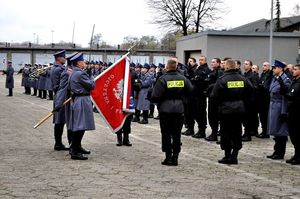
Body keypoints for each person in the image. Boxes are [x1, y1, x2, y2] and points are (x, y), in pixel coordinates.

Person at [151, 59, 193, 166]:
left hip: (165, 110)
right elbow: (191, 90)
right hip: (179, 109)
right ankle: (175, 158)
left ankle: (168, 157)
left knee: (166, 134)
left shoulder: (162, 79)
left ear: (167, 66)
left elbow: (156, 96)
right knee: (176, 134)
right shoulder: (183, 78)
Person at [211, 59, 253, 164]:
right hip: (239, 110)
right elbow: (251, 90)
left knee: (226, 134)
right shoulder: (243, 79)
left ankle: (227, 156)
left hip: (225, 110)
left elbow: (214, 96)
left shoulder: (222, 79)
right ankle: (234, 156)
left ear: (227, 67)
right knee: (237, 132)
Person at [69, 52, 95, 160]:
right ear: (79, 63)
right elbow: (91, 85)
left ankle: (77, 146)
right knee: (80, 125)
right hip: (82, 100)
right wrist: (91, 77)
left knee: (81, 125)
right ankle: (74, 150)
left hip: (78, 99)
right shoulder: (80, 73)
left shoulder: (74, 72)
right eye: (83, 61)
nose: (84, 63)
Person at [53, 52, 79, 151]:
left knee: (60, 122)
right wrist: (59, 103)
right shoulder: (65, 72)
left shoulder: (60, 69)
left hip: (61, 98)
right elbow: (61, 88)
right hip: (64, 99)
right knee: (68, 122)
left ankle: (60, 143)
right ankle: (71, 145)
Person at [267, 60, 291, 160]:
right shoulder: (275, 78)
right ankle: (276, 151)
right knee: (275, 131)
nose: (273, 69)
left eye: (275, 68)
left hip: (280, 106)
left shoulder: (285, 80)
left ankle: (280, 152)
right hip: (273, 105)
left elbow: (285, 97)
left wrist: (283, 111)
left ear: (280, 69)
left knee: (280, 131)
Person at [51, 50, 68, 151]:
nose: (65, 59)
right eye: (63, 57)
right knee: (60, 121)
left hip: (57, 95)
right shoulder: (60, 69)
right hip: (61, 96)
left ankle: (58, 143)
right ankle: (58, 143)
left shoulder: (55, 68)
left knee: (59, 121)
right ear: (58, 58)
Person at [191, 55, 211, 139]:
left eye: (202, 60)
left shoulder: (207, 70)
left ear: (205, 61)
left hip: (201, 94)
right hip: (196, 93)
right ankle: (200, 129)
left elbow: (205, 82)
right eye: (199, 60)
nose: (200, 61)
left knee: (201, 113)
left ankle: (202, 130)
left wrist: (198, 80)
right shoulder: (199, 68)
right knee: (196, 112)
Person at [205, 58, 223, 141]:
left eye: (214, 62)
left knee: (214, 116)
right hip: (211, 96)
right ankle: (213, 132)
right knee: (211, 116)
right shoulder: (213, 71)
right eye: (211, 62)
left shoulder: (219, 72)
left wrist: (209, 86)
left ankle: (214, 134)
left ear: (218, 63)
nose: (212, 64)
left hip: (215, 98)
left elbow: (217, 84)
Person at [286, 64, 300, 165]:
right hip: (292, 111)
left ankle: (298, 156)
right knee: (293, 135)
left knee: (297, 135)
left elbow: (294, 95)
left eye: (295, 69)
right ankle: (296, 155)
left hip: (297, 112)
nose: (293, 71)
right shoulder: (294, 81)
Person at [242, 59, 259, 141]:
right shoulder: (244, 74)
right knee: (245, 118)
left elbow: (255, 87)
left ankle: (248, 135)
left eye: (247, 64)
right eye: (244, 64)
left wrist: (247, 85)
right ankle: (245, 133)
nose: (245, 65)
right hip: (244, 99)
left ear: (250, 66)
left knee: (248, 118)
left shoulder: (253, 75)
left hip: (250, 100)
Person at [256, 62, 273, 138]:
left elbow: (266, 86)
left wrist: (261, 86)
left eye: (265, 65)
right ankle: (264, 131)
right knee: (262, 116)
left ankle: (266, 132)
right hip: (261, 98)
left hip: (266, 98)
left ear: (269, 67)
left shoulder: (270, 74)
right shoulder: (263, 74)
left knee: (265, 116)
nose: (263, 67)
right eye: (263, 65)